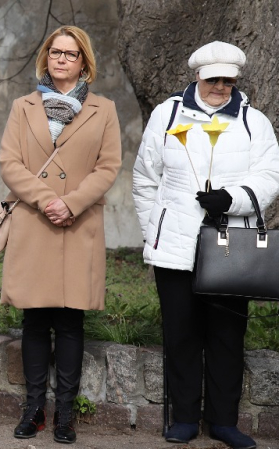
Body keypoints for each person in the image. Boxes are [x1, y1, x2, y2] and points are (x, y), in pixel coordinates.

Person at [133, 41, 279, 449]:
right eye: (212, 78)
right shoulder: (169, 114)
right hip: (175, 245)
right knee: (180, 333)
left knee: (227, 335)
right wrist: (154, 231)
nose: (220, 86)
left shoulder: (254, 121)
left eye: (227, 80)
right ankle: (183, 418)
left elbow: (270, 175)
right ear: (197, 76)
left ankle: (223, 421)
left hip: (233, 248)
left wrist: (233, 199)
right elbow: (145, 178)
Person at [0, 26, 121, 444]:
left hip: (78, 222)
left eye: (70, 54)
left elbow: (109, 166)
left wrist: (72, 203)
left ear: (84, 62)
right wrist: (47, 199)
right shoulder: (23, 106)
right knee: (34, 319)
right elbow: (9, 163)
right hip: (34, 221)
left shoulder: (104, 109)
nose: (62, 59)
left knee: (70, 320)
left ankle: (64, 414)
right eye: (55, 52)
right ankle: (34, 410)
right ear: (46, 57)